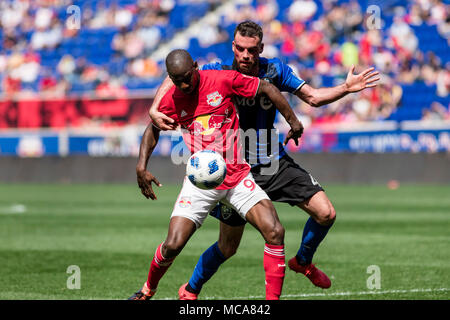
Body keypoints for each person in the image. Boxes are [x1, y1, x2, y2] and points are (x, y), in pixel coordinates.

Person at [145, 21, 380, 300]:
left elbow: (313, 98)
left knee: (326, 213)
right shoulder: (214, 71)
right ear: (233, 47)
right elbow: (174, 75)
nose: (246, 55)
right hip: (231, 168)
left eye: (252, 50)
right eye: (241, 49)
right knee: (228, 247)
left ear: (261, 49)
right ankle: (191, 289)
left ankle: (302, 261)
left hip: (272, 162)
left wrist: (345, 87)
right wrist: (153, 109)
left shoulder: (274, 70)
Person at [130, 49, 304, 300]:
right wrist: (141, 166)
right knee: (173, 244)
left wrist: (293, 121)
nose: (184, 84)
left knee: (274, 230)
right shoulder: (173, 98)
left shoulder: (222, 80)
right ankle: (148, 290)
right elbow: (153, 129)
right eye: (176, 80)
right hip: (200, 182)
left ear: (196, 67)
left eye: (187, 77)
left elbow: (267, 88)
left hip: (237, 176)